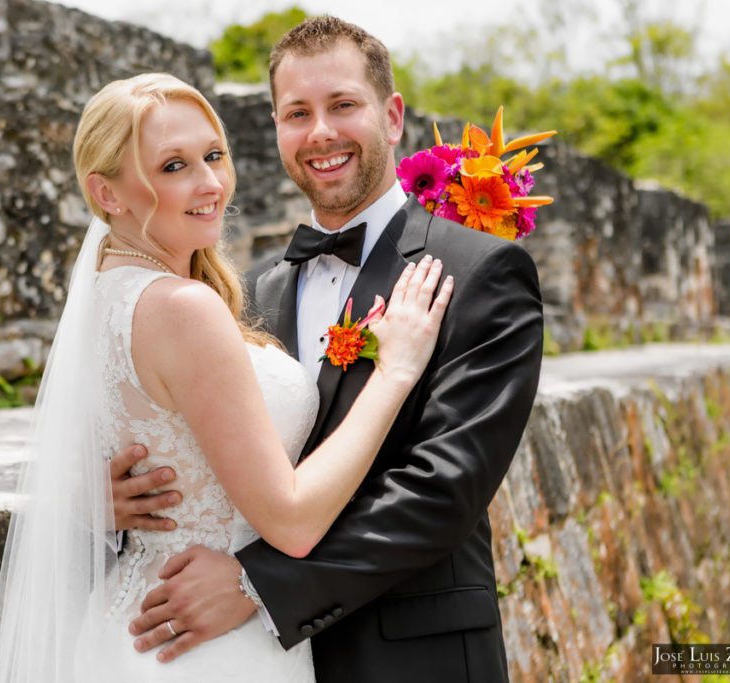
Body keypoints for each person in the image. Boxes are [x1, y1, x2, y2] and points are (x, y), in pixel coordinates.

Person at [0, 72, 452, 682]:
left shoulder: (104, 297)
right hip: (208, 646)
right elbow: (293, 519)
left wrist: (87, 499)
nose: (209, 184)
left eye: (213, 155)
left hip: (132, 628)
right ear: (108, 192)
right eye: (173, 166)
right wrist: (395, 371)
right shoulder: (183, 307)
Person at [120, 16, 544, 683]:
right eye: (297, 113)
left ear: (392, 114)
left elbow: (444, 489)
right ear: (277, 129)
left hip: (410, 654)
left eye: (343, 104)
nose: (320, 132)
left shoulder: (481, 272)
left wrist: (256, 585)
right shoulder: (248, 291)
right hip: (253, 660)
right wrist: (120, 499)